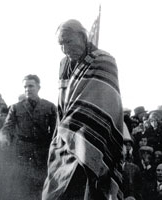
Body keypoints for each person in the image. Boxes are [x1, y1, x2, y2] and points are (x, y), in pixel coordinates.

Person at [42, 19, 124, 200]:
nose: (65, 48)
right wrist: (63, 132)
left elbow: (104, 103)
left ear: (83, 36)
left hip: (93, 136)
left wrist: (75, 129)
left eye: (68, 41)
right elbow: (63, 104)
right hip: (63, 139)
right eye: (61, 44)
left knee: (87, 190)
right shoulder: (64, 65)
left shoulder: (104, 60)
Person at [0, 74, 57, 200]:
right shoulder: (16, 107)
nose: (27, 89)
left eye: (31, 86)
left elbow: (55, 131)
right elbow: (7, 127)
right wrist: (4, 138)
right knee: (24, 189)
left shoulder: (50, 107)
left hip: (43, 154)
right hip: (23, 154)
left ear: (38, 87)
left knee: (43, 188)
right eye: (25, 87)